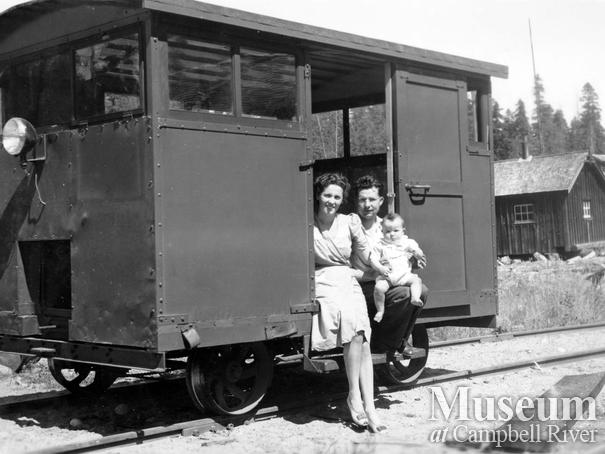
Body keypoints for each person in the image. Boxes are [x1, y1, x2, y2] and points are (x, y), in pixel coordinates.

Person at [312, 173, 386, 433]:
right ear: (319, 196)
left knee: (362, 336)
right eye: (327, 195)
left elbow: (366, 253)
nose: (331, 201)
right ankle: (355, 396)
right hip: (322, 280)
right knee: (354, 332)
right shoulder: (306, 223)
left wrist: (383, 268)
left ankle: (369, 405)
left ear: (342, 200)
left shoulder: (349, 221)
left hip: (347, 278)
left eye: (337, 197)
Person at [351, 175, 428, 355]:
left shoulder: (387, 226)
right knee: (403, 294)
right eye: (362, 200)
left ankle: (397, 341)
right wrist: (372, 274)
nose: (367, 204)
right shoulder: (350, 225)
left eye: (372, 199)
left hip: (389, 281)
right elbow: (344, 269)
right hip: (361, 284)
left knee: (421, 291)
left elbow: (403, 254)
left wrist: (414, 261)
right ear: (356, 201)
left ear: (380, 201)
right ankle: (387, 344)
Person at [370, 213, 425, 323]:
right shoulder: (380, 245)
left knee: (416, 281)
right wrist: (380, 268)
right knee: (379, 289)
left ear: (403, 230)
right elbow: (373, 260)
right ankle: (380, 310)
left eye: (396, 231)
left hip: (404, 276)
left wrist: (417, 254)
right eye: (388, 231)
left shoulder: (408, 242)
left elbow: (418, 252)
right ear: (382, 232)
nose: (392, 234)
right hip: (388, 277)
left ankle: (415, 298)